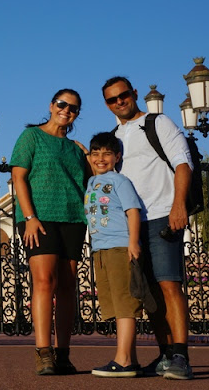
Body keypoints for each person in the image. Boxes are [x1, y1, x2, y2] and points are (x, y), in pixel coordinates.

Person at [102, 76, 194, 380]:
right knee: (149, 292)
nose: (119, 102)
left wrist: (178, 205)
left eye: (123, 95)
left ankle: (180, 355)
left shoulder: (158, 123)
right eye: (112, 99)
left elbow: (182, 162)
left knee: (169, 284)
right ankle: (165, 354)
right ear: (107, 104)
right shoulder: (113, 135)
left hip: (162, 215)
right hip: (131, 224)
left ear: (134, 94)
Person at [10, 88, 89, 376]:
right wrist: (30, 216)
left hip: (72, 218)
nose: (66, 110)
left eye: (73, 108)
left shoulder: (75, 148)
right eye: (62, 104)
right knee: (44, 280)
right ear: (51, 105)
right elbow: (18, 177)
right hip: (39, 218)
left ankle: (63, 354)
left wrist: (89, 157)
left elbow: (91, 182)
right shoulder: (30, 137)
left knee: (68, 285)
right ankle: (44, 353)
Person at [85, 132, 143, 378]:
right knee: (114, 304)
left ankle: (124, 360)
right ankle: (132, 359)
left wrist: (133, 242)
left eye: (107, 153)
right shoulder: (91, 182)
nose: (100, 158)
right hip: (101, 249)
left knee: (124, 304)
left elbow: (132, 211)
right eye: (95, 153)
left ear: (117, 157)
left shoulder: (120, 181)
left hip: (120, 246)